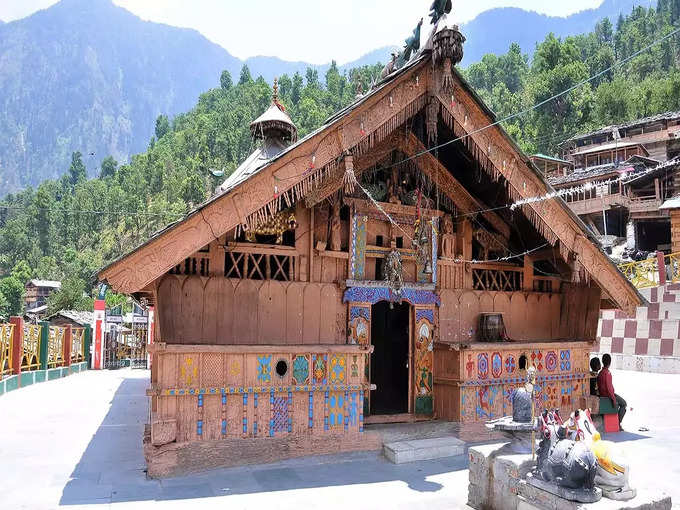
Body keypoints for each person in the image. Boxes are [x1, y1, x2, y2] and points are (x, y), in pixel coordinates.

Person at [597, 353, 627, 429]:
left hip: (602, 395)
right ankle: (618, 423)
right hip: (608, 396)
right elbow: (609, 388)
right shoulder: (607, 373)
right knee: (624, 404)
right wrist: (613, 400)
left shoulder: (600, 373)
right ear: (610, 362)